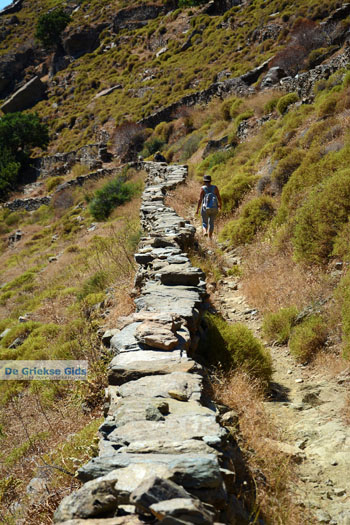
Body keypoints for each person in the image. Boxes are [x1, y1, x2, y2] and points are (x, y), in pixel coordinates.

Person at [196, 174, 222, 239]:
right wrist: (220, 205)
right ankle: (209, 238)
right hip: (214, 208)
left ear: (204, 181)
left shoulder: (203, 188)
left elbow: (200, 199)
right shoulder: (215, 188)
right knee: (211, 222)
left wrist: (197, 209)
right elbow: (219, 197)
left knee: (204, 222)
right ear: (210, 181)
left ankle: (205, 232)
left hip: (205, 208)